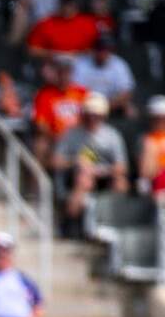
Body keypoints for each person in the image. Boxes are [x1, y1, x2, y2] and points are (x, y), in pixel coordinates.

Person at [52, 92, 130, 224]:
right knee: (84, 179)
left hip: (104, 175)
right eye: (89, 115)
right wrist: (75, 162)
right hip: (76, 177)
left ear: (103, 116)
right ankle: (70, 222)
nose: (92, 119)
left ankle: (118, 222)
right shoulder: (71, 134)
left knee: (121, 183)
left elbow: (122, 167)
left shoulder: (112, 135)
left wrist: (100, 171)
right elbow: (55, 162)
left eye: (96, 116)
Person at [69, 39, 136, 119]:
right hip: (86, 103)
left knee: (130, 111)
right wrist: (93, 105)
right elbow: (74, 88)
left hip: (111, 103)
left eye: (106, 50)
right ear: (93, 50)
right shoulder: (81, 63)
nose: (103, 53)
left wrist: (106, 106)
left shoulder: (119, 64)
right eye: (100, 49)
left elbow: (126, 92)